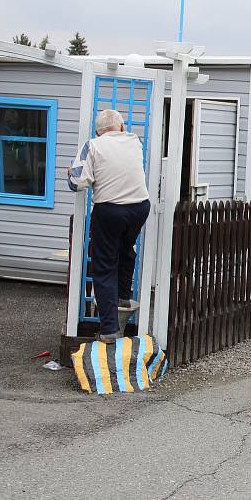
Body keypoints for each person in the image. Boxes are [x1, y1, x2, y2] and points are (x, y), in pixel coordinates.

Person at [68, 110, 150, 343]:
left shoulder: (92, 145)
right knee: (127, 250)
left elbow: (77, 183)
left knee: (104, 268)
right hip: (140, 207)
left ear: (98, 131)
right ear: (122, 128)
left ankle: (109, 330)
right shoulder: (135, 141)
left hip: (110, 210)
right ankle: (124, 296)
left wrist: (70, 173)